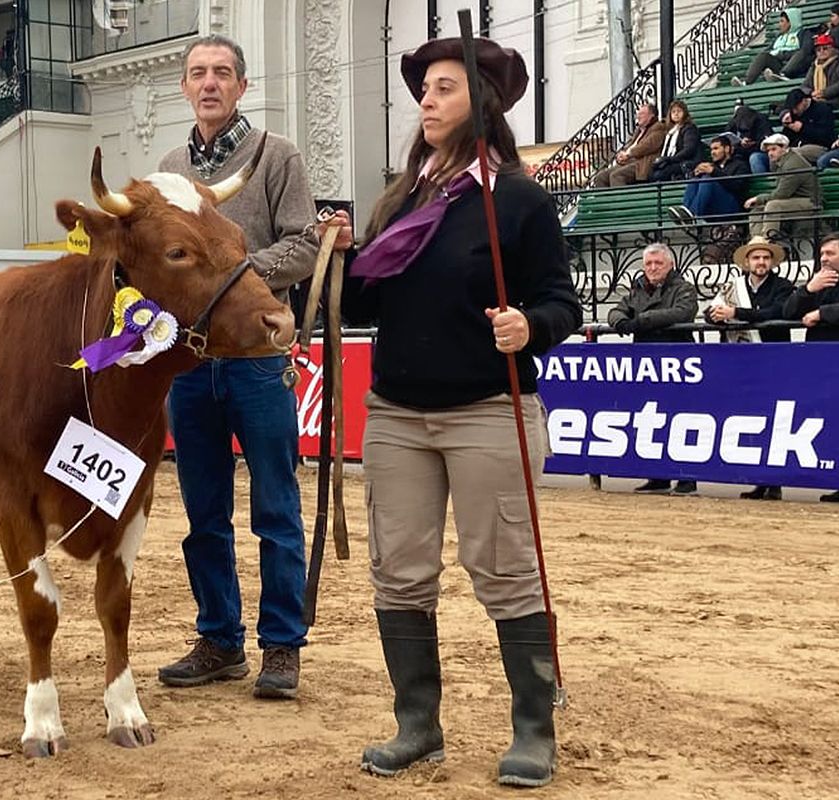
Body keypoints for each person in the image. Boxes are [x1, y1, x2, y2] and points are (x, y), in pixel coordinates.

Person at [335, 36, 580, 787]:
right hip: (397, 414)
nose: (427, 101)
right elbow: (364, 305)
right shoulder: (403, 197)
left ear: (483, 102)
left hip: (488, 409)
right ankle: (418, 727)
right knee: (399, 574)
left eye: (444, 88)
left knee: (505, 572)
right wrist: (345, 257)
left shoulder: (521, 199)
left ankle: (533, 731)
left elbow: (561, 302)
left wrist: (528, 327)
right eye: (425, 89)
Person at [155, 34, 322, 700]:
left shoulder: (277, 154)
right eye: (198, 73)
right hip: (191, 363)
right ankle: (220, 639)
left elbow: (307, 243)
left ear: (242, 86)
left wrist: (233, 278)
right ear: (184, 87)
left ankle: (282, 646)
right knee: (203, 513)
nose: (210, 83)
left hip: (257, 358)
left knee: (276, 507)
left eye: (222, 73)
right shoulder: (169, 166)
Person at [705, 236, 795, 501]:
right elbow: (711, 313)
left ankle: (775, 481)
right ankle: (759, 478)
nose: (761, 262)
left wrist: (737, 314)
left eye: (766, 258)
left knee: (776, 420)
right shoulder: (733, 286)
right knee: (750, 417)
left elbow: (777, 312)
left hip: (772, 360)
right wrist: (719, 316)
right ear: (747, 261)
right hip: (741, 361)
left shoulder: (782, 286)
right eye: (756, 257)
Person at [608, 243, 698, 496]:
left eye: (658, 263)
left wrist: (641, 322)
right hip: (646, 365)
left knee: (683, 420)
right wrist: (622, 322)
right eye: (648, 263)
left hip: (678, 363)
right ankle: (657, 476)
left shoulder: (684, 288)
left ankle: (686, 478)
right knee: (651, 419)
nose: (653, 268)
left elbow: (683, 312)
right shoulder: (637, 290)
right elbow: (615, 311)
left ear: (670, 264)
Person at [783, 233, 839, 501]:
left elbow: (820, 314)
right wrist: (808, 290)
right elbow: (788, 311)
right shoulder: (820, 281)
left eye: (830, 253)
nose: (824, 259)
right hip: (822, 363)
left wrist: (822, 313)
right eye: (822, 255)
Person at [744, 133, 820, 239]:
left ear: (784, 147)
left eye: (773, 149)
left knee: (773, 206)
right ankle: (757, 242)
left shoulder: (792, 165)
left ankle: (768, 241)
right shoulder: (783, 161)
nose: (770, 153)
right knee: (756, 211)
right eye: (768, 151)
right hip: (794, 200)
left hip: (811, 202)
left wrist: (758, 198)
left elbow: (781, 195)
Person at [667, 135, 751, 224]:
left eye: (716, 148)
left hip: (732, 208)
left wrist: (713, 172)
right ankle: (686, 213)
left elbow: (737, 187)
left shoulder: (740, 164)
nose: (712, 152)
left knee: (707, 179)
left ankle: (694, 217)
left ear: (726, 149)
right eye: (711, 149)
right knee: (695, 180)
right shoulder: (712, 166)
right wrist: (696, 174)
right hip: (713, 207)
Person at [752, 88, 835, 172]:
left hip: (819, 147)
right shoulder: (793, 113)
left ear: (803, 101)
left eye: (796, 107)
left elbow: (826, 135)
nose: (794, 111)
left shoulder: (822, 109)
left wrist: (803, 128)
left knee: (790, 153)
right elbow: (786, 136)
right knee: (759, 157)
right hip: (794, 147)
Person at [591, 103, 668, 188]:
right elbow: (630, 146)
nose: (638, 116)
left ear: (651, 116)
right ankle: (605, 200)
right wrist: (621, 155)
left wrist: (628, 154)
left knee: (616, 176)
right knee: (600, 177)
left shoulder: (658, 128)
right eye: (638, 114)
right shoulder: (639, 130)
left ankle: (620, 200)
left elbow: (646, 146)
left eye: (642, 114)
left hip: (642, 164)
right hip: (630, 162)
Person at [731, 9, 804, 86]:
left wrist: (781, 54)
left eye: (782, 21)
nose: (779, 25)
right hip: (779, 65)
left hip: (793, 68)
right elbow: (769, 51)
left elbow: (803, 52)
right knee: (763, 56)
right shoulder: (779, 37)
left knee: (799, 54)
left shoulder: (803, 34)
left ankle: (784, 75)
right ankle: (746, 82)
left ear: (790, 23)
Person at [650, 100, 702, 182]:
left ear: (685, 113)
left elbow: (689, 149)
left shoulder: (689, 128)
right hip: (674, 161)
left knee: (658, 175)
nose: (676, 114)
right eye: (673, 112)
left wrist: (670, 159)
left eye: (679, 111)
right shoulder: (670, 131)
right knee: (651, 173)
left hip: (686, 162)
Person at [799, 33, 839, 107]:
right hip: (815, 99)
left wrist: (824, 93)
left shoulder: (838, 62)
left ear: (833, 49)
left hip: (834, 100)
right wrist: (812, 93)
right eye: (818, 50)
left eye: (825, 48)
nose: (821, 51)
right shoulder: (814, 66)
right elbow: (804, 86)